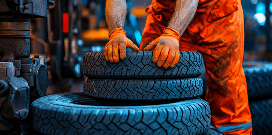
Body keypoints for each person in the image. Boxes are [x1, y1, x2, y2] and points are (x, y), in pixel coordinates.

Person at [104, 0, 252, 134]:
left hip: (218, 11)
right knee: (147, 85)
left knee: (226, 92)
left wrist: (172, 33)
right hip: (165, 11)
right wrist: (116, 32)